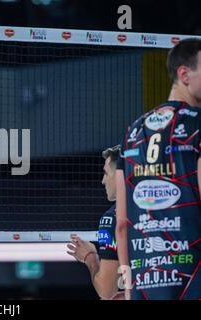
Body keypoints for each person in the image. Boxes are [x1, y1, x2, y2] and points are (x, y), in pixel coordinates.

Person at [116, 38, 201, 300]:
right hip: (193, 276)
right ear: (184, 74)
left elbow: (121, 224)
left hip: (145, 281)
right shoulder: (198, 125)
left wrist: (128, 286)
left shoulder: (132, 132)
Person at [67, 145, 123, 300]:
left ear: (119, 175)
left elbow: (107, 290)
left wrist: (90, 257)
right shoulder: (159, 210)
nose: (103, 180)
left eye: (106, 173)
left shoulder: (112, 217)